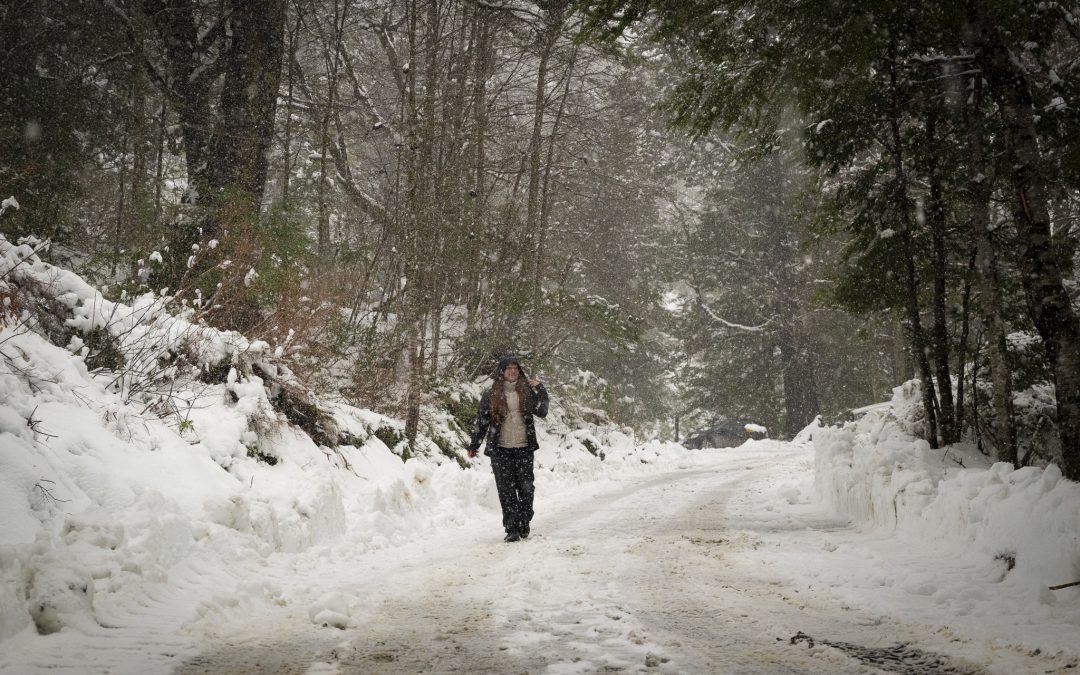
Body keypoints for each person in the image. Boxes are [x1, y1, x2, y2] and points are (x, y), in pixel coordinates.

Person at [468, 355, 549, 542]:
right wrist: (474, 444)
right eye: (508, 368)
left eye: (515, 368)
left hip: (523, 448)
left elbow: (542, 411)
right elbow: (482, 421)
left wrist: (540, 389)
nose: (512, 371)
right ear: (502, 372)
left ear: (519, 371)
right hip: (500, 449)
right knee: (506, 491)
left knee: (526, 489)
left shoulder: (527, 392)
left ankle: (524, 520)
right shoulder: (491, 394)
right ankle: (512, 528)